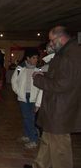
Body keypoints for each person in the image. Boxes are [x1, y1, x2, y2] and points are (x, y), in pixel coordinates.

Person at [24, 26, 81, 168]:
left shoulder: (70, 55)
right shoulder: (65, 52)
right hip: (55, 107)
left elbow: (63, 84)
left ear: (61, 38)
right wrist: (45, 75)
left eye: (51, 40)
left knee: (60, 148)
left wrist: (38, 79)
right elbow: (60, 76)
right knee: (48, 141)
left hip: (61, 109)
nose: (50, 44)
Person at [11, 48, 41, 149]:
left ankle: (33, 139)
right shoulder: (20, 68)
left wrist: (38, 101)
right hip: (23, 97)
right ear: (27, 58)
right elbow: (14, 80)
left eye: (37, 58)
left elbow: (41, 87)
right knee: (26, 117)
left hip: (34, 98)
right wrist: (18, 91)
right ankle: (28, 135)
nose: (36, 60)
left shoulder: (39, 70)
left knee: (30, 118)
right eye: (34, 58)